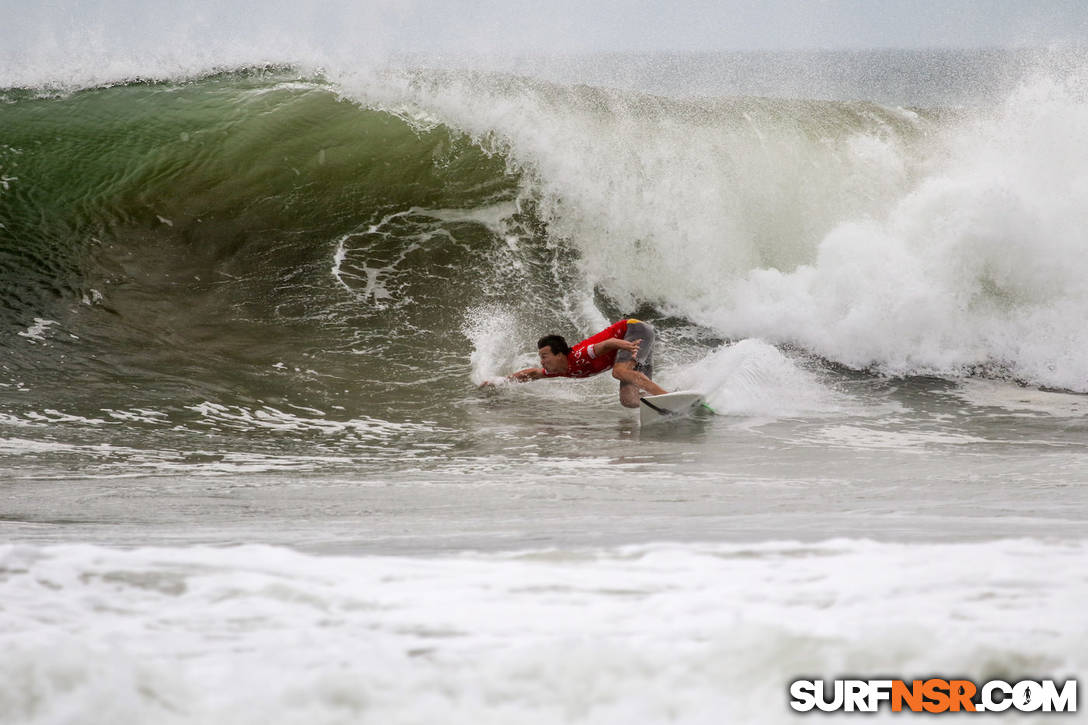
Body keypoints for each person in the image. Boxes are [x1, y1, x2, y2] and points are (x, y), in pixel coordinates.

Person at [487, 318, 668, 408]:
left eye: (545, 356)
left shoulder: (579, 355)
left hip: (634, 330)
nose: (542, 361)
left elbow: (606, 344)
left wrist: (626, 345)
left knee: (618, 371)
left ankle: (665, 397)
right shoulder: (560, 369)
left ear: (559, 355)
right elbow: (534, 373)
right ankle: (667, 403)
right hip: (632, 343)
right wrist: (503, 381)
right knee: (629, 400)